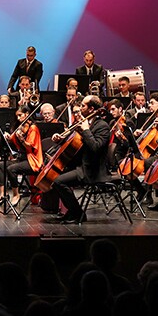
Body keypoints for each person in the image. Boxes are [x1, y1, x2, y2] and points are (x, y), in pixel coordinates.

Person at [50, 95, 110, 224]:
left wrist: (86, 130)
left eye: (83, 105)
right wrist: (60, 139)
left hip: (92, 169)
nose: (80, 108)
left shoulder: (102, 126)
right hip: (80, 164)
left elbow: (96, 148)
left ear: (91, 109)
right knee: (53, 178)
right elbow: (73, 143)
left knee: (59, 182)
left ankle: (78, 213)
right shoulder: (83, 122)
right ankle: (72, 211)